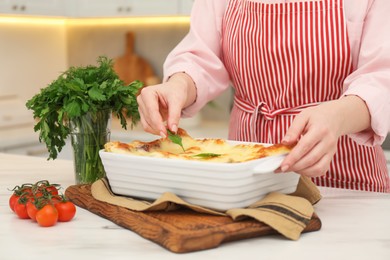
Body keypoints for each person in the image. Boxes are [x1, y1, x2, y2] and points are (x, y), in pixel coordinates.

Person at [136, 0, 390, 193]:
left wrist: (336, 118)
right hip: (246, 182)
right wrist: (178, 85)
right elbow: (201, 56)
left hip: (344, 183)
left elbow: (382, 76)